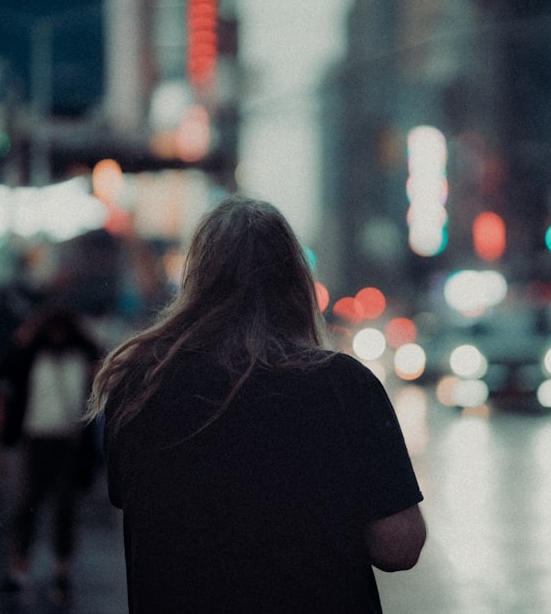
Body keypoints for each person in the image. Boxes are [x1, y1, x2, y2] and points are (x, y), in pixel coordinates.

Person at [86, 195, 426, 613]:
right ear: (296, 281)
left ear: (196, 280)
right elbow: (399, 547)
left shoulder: (139, 383)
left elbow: (131, 502)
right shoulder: (344, 385)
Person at [0, 305, 102, 604]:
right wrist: (26, 334)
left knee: (64, 510)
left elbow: (104, 365)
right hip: (35, 438)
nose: (57, 337)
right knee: (25, 505)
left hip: (68, 442)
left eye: (62, 331)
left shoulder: (84, 358)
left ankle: (61, 574)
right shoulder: (31, 355)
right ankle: (18, 573)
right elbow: (5, 368)